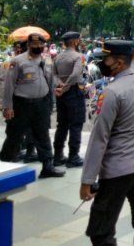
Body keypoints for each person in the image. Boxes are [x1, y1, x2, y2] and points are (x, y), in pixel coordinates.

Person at [81, 40, 134, 246]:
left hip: (117, 170)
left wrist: (87, 179)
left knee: (100, 229)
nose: (102, 63)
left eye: (105, 59)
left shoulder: (111, 92)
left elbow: (100, 138)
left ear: (117, 63)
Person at [0, 33, 64, 178]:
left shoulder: (47, 60)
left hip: (41, 104)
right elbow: (8, 85)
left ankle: (48, 166)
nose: (39, 47)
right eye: (35, 44)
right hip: (22, 105)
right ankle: (4, 162)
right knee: (14, 136)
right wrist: (7, 107)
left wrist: (56, 88)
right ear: (28, 45)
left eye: (42, 45)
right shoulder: (17, 61)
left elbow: (49, 78)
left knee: (43, 135)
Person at [52, 31, 86, 168]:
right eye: (79, 40)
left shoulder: (58, 57)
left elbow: (53, 74)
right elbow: (75, 75)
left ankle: (58, 155)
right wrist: (65, 87)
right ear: (75, 42)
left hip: (61, 94)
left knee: (62, 124)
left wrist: (58, 86)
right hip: (73, 92)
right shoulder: (79, 57)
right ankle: (73, 156)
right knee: (76, 124)